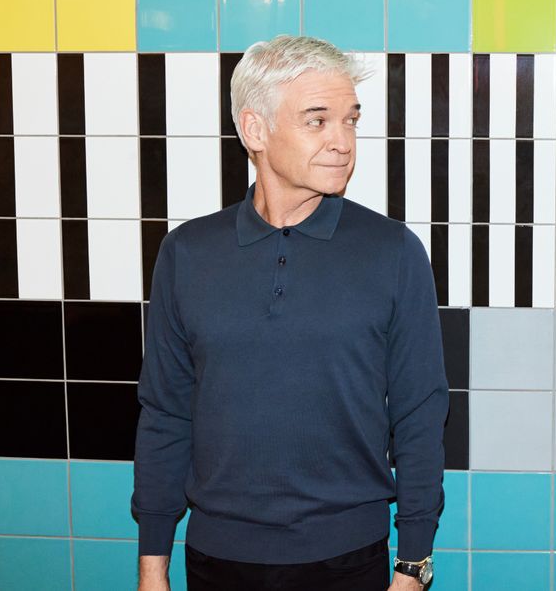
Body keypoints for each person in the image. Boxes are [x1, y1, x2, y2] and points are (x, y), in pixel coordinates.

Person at [132, 35, 448, 591]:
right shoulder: (187, 253)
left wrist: (413, 566)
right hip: (216, 558)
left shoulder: (393, 251)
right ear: (255, 130)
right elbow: (165, 413)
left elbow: (420, 415)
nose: (342, 142)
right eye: (317, 121)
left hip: (351, 557)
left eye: (351, 120)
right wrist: (152, 567)